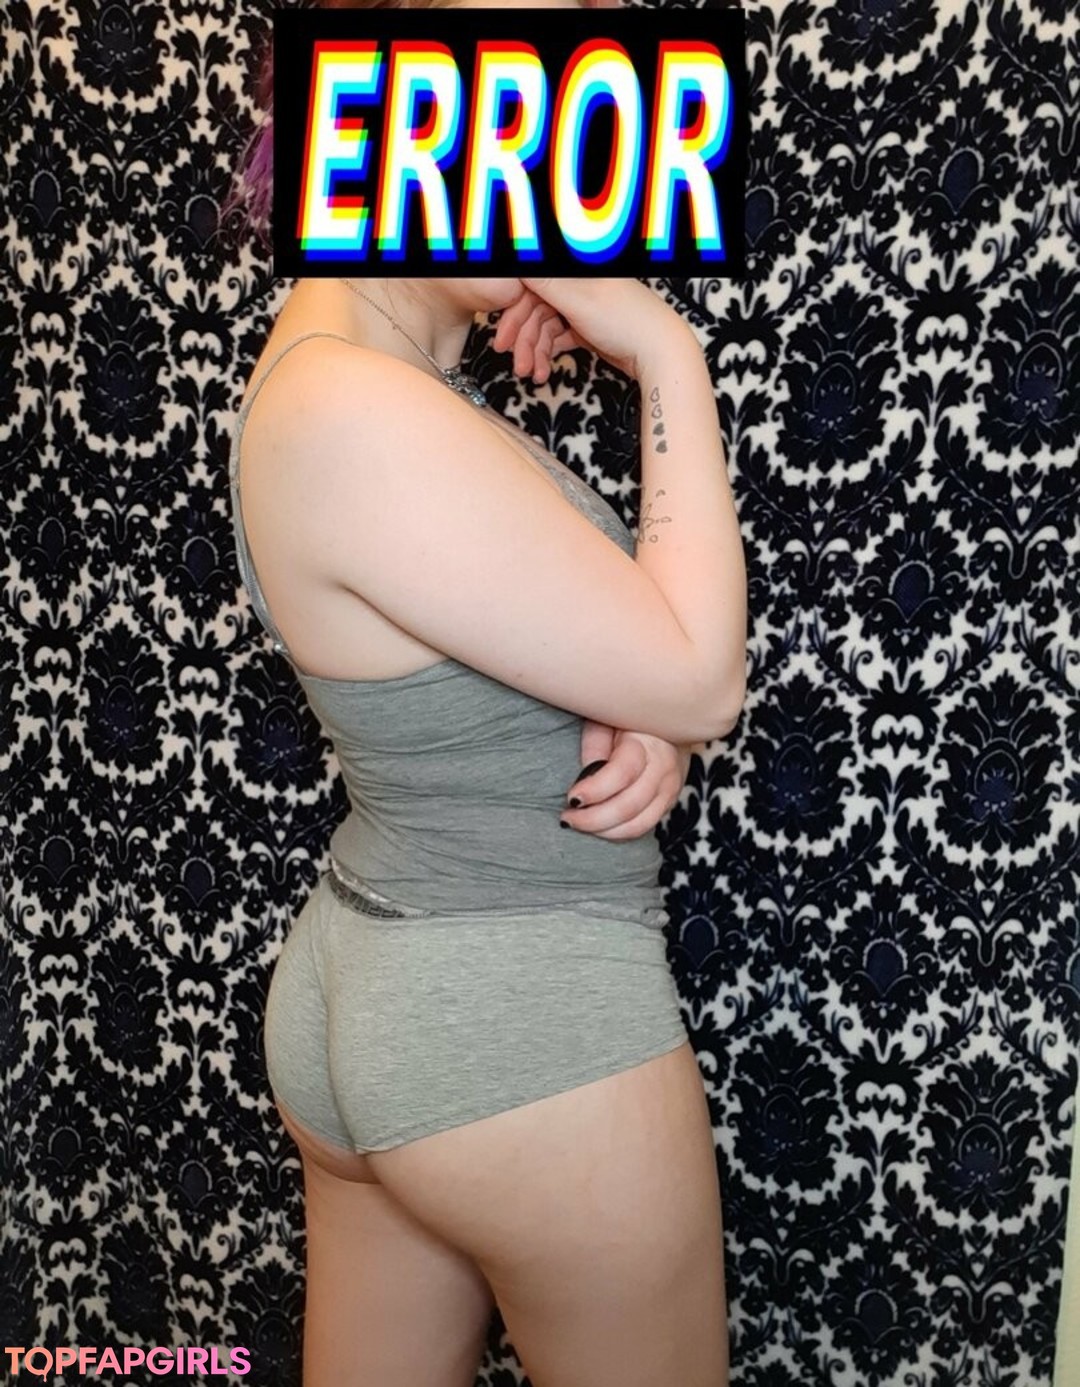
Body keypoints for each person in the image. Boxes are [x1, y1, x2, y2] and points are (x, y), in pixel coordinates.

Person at [226, 0, 748, 1382]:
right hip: (517, 1020)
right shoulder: (349, 407)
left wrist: (639, 707)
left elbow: (605, 660)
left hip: (398, 983)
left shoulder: (370, 389)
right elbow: (705, 673)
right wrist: (668, 353)